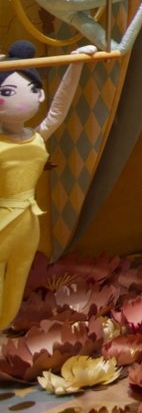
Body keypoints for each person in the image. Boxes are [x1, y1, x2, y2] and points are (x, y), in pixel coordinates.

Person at [0, 41, 95, 328]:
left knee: (14, 292)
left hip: (29, 225)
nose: (24, 99)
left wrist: (75, 65)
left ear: (40, 94)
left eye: (33, 90)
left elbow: (58, 111)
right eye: (7, 92)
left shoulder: (37, 136)